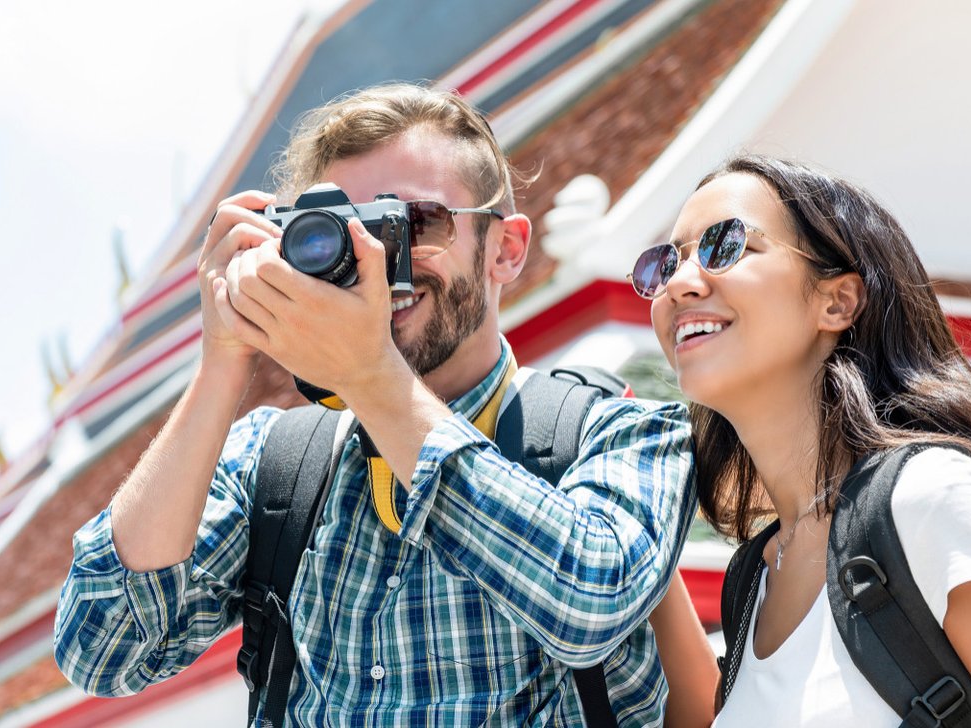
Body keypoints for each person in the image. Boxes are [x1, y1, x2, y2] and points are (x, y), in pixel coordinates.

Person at [53, 82, 698, 726]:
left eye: (414, 224)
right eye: (347, 232)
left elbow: (588, 604)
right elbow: (103, 649)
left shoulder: (624, 432)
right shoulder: (275, 463)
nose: (376, 263)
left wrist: (369, 375)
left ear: (505, 249)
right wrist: (224, 358)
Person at [631, 154, 971, 725]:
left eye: (727, 244)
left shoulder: (936, 498)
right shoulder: (755, 577)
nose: (680, 285)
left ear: (836, 301)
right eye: (665, 264)